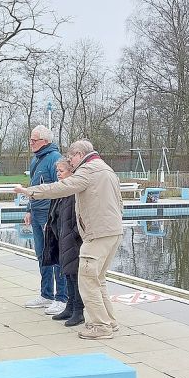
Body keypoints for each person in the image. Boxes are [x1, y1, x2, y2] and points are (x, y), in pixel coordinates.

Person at [15, 139, 123, 340]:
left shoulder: (88, 170)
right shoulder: (107, 169)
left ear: (80, 155)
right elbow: (119, 201)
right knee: (98, 280)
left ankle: (100, 326)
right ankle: (110, 321)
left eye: (71, 157)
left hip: (97, 234)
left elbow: (62, 187)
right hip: (113, 231)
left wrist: (30, 192)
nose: (70, 162)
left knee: (87, 279)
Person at [23, 125, 68, 314]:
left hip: (50, 215)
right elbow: (32, 186)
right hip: (36, 213)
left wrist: (54, 216)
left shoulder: (54, 159)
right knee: (42, 255)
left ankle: (62, 297)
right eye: (30, 140)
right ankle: (46, 294)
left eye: (34, 140)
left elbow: (60, 187)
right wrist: (28, 209)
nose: (31, 143)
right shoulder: (36, 160)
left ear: (45, 141)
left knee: (55, 255)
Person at [41, 158, 85, 327]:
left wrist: (73, 234)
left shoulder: (74, 192)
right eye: (57, 171)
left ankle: (78, 310)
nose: (58, 174)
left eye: (62, 171)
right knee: (67, 273)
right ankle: (70, 305)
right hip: (61, 236)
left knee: (75, 275)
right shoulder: (61, 190)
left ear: (71, 172)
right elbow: (56, 212)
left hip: (73, 239)